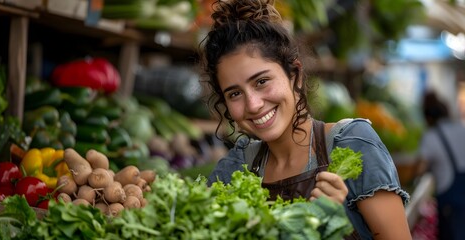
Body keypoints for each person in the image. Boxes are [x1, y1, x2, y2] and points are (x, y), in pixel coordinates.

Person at [198, 0, 412, 239]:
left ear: (295, 76)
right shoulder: (237, 166)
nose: (253, 104)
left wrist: (337, 221)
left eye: (261, 82)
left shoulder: (351, 144)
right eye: (235, 93)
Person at [417, 91, 465, 240]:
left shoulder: (431, 137)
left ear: (428, 117)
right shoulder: (460, 128)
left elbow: (420, 168)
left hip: (451, 203)